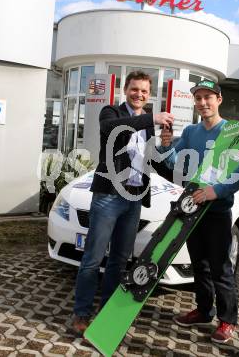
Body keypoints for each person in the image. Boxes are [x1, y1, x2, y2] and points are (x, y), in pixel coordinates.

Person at [72, 70, 174, 334]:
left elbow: (149, 160)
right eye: (134, 89)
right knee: (93, 259)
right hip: (109, 196)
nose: (139, 94)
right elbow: (113, 130)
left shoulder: (149, 124)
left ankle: (106, 314)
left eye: (143, 91)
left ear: (148, 95)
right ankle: (81, 314)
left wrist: (165, 146)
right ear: (125, 90)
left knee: (119, 260)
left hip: (135, 196)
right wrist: (151, 117)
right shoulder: (112, 113)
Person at [159, 80, 239, 344]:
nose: (203, 102)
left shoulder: (233, 132)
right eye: (198, 98)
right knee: (200, 265)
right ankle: (204, 310)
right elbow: (174, 162)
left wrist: (215, 191)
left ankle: (227, 321)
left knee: (221, 269)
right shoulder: (192, 132)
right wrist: (164, 145)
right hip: (192, 209)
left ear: (219, 99)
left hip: (217, 211)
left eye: (208, 97)